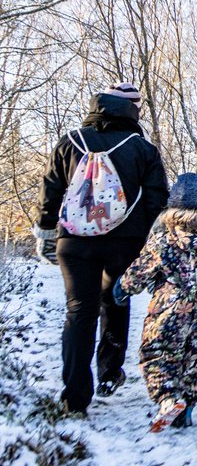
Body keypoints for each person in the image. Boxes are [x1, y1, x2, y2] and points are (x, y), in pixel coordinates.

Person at [34, 82, 169, 416]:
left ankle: (75, 398)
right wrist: (154, 244)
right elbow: (156, 203)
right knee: (115, 299)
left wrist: (47, 232)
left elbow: (50, 190)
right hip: (124, 242)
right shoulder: (142, 149)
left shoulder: (70, 142)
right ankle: (110, 372)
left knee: (79, 311)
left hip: (75, 241)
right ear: (131, 112)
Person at [114, 174, 197, 432]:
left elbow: (142, 269)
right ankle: (188, 408)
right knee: (195, 360)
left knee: (159, 355)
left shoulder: (165, 238)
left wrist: (124, 287)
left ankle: (168, 400)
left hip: (169, 309)